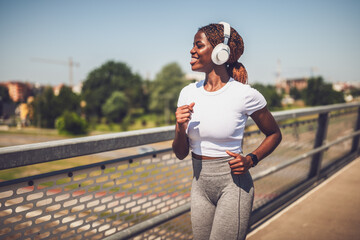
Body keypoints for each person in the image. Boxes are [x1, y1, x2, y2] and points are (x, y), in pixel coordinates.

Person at [172, 22, 282, 240]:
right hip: (199, 186)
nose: (192, 50)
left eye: (198, 45)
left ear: (220, 52)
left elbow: (274, 134)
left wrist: (251, 160)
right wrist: (179, 126)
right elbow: (180, 153)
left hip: (233, 186)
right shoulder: (187, 93)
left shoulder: (244, 94)